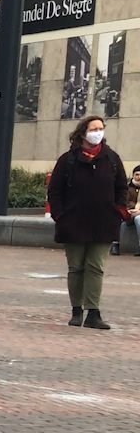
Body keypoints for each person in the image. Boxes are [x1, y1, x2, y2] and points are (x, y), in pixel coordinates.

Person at [47, 115, 126, 330]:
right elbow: (54, 191)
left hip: (104, 222)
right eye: (94, 128)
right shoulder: (68, 160)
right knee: (76, 267)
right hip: (73, 222)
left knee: (96, 267)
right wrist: (60, 215)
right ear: (83, 133)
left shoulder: (111, 158)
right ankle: (76, 310)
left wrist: (118, 210)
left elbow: (121, 188)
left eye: (101, 128)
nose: (98, 132)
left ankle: (94, 312)